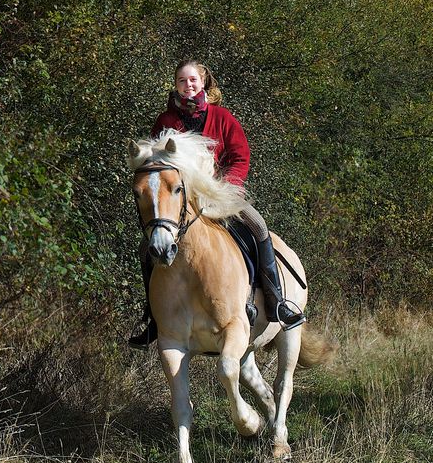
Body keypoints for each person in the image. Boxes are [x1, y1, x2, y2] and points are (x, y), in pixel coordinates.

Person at [129, 59, 305, 349]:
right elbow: (157, 165)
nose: (188, 86)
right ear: (175, 85)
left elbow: (240, 156)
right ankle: (153, 318)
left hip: (220, 195)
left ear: (204, 83)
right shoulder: (164, 122)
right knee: (146, 248)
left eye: (193, 80)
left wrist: (227, 186)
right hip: (182, 203)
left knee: (258, 226)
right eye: (182, 81)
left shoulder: (222, 117)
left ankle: (276, 301)